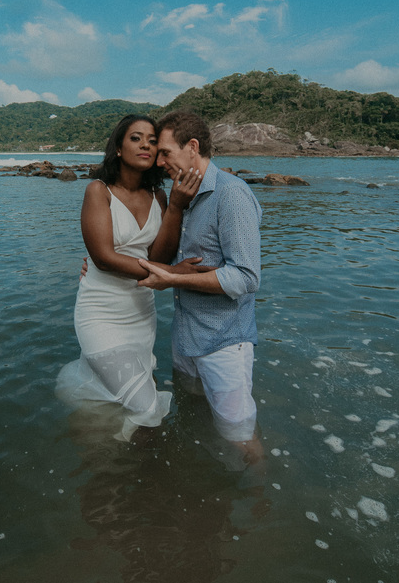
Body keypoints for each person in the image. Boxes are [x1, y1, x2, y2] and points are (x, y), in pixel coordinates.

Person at [56, 114, 201, 441]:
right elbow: (104, 259)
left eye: (152, 140)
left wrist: (176, 208)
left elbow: (157, 257)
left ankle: (124, 463)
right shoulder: (98, 191)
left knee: (134, 394)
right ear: (118, 148)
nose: (146, 145)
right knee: (147, 409)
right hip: (100, 312)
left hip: (140, 312)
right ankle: (123, 462)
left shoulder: (160, 198)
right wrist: (173, 274)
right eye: (136, 138)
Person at [136, 111, 264, 465]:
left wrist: (174, 279)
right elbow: (160, 255)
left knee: (239, 436)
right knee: (196, 416)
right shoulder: (185, 194)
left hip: (223, 342)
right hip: (187, 337)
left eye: (165, 153)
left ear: (192, 147)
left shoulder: (231, 196)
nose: (159, 162)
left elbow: (246, 278)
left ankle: (257, 506)